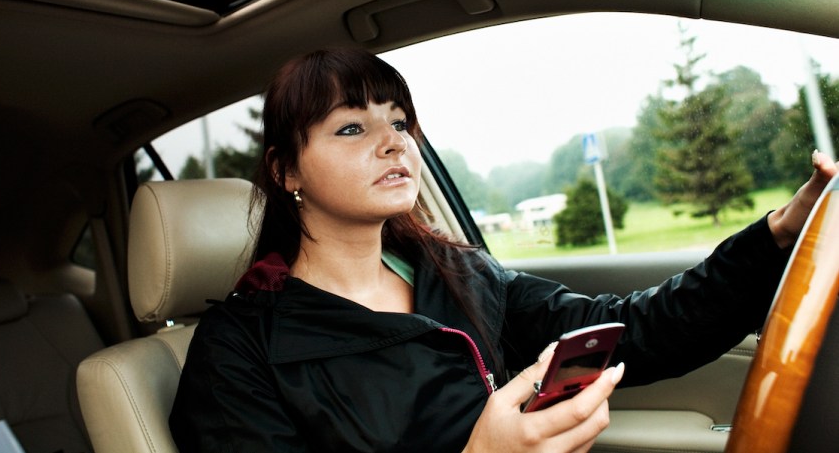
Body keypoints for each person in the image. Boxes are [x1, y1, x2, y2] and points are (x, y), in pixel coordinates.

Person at [169, 47, 837, 453]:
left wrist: (778, 232)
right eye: (351, 126)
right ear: (286, 170)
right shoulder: (240, 350)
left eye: (400, 122)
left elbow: (635, 329)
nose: (394, 141)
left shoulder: (458, 272)